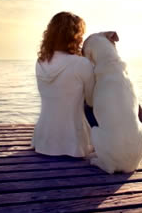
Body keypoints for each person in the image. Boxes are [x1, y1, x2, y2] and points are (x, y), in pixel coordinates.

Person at [32, 12, 95, 158]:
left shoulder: (40, 61)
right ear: (75, 36)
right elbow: (92, 100)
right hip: (74, 144)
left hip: (43, 141)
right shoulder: (81, 63)